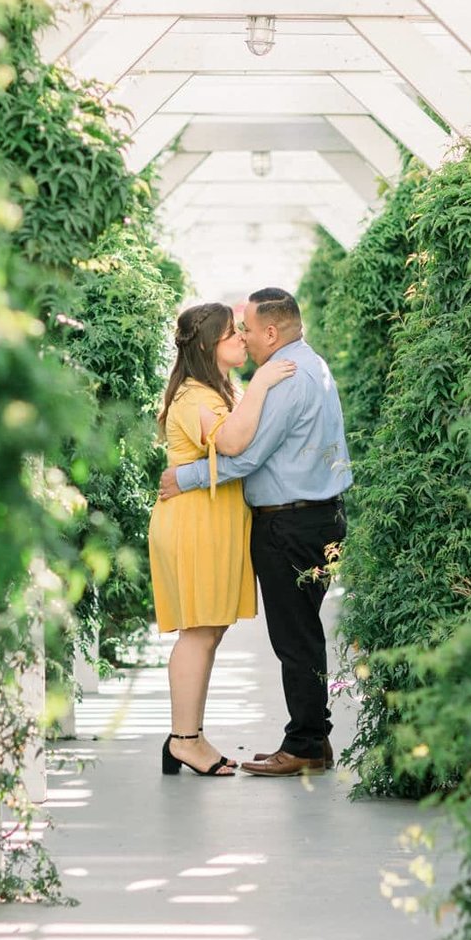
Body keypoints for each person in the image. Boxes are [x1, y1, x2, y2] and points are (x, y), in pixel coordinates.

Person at [159, 287, 352, 777]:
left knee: (296, 637)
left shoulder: (284, 378)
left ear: (271, 331)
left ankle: (307, 743)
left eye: (244, 328)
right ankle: (307, 739)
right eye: (232, 331)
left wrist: (185, 477)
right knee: (297, 633)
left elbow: (244, 454)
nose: (242, 336)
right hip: (310, 516)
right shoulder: (309, 365)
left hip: (292, 521)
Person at [150, 302, 297, 778]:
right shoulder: (196, 397)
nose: (241, 339)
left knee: (209, 630)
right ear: (212, 345)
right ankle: (183, 740)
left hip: (210, 522)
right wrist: (261, 385)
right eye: (232, 333)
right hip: (195, 525)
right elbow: (233, 444)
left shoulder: (210, 390)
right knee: (198, 631)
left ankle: (189, 736)